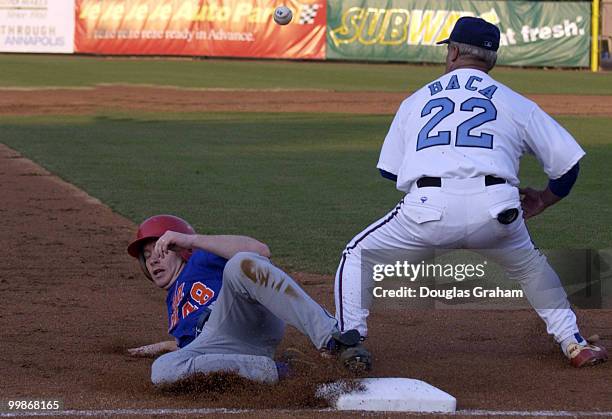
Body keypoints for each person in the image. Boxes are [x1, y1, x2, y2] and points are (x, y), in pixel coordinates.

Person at [333, 17, 607, 368]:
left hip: (428, 211)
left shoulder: (415, 101)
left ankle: (350, 341)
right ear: (491, 60)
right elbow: (568, 166)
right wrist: (544, 198)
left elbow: (391, 171)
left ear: (454, 51)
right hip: (498, 210)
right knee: (532, 268)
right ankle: (574, 343)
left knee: (358, 255)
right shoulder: (517, 103)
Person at [126, 214, 371, 385]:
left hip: (246, 316)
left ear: (180, 249)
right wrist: (166, 346)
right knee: (163, 369)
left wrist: (192, 241)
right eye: (147, 257)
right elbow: (196, 347)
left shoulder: (201, 259)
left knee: (241, 264)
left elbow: (260, 251)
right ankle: (281, 370)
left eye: (159, 250)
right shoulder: (174, 303)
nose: (153, 260)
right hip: (226, 346)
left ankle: (334, 340)